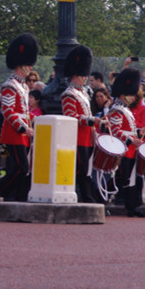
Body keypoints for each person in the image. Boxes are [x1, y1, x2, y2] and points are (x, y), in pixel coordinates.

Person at [0, 33, 38, 202]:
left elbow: (24, 111)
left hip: (22, 133)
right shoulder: (10, 85)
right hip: (14, 132)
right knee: (20, 168)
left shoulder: (22, 86)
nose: (31, 68)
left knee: (21, 168)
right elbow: (9, 112)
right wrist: (23, 128)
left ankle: (13, 196)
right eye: (28, 65)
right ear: (22, 66)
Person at [61, 45, 100, 203]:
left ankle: (88, 199)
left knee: (85, 171)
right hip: (77, 138)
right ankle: (83, 199)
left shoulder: (83, 93)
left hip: (87, 137)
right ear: (75, 75)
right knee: (80, 170)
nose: (86, 78)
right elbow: (71, 116)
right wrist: (91, 120)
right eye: (83, 75)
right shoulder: (69, 94)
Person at [109, 68, 145, 217]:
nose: (133, 98)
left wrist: (137, 134)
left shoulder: (124, 109)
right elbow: (115, 131)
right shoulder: (118, 109)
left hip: (129, 149)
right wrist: (132, 139)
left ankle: (132, 206)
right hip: (123, 149)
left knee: (129, 179)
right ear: (122, 94)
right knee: (120, 178)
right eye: (130, 95)